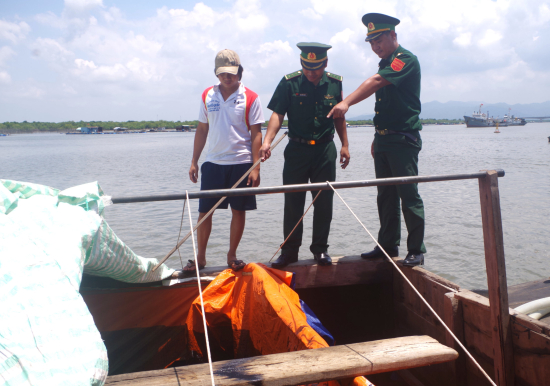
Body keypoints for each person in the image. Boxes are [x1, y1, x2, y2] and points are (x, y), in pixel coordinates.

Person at [327, 13, 426, 266]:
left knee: (408, 194)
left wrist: (346, 102)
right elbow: (384, 105)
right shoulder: (385, 63)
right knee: (385, 195)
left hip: (403, 140)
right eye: (371, 42)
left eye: (379, 40)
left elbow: (377, 82)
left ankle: (415, 249)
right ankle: (388, 245)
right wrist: (377, 136)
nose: (375, 47)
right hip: (384, 140)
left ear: (393, 35)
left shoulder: (405, 60)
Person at [259, 42, 350, 268]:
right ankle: (289, 252)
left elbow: (339, 117)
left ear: (325, 63)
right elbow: (277, 114)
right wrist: (267, 141)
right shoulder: (289, 82)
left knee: (323, 202)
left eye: (316, 67)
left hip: (324, 150)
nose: (311, 72)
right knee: (293, 201)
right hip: (297, 150)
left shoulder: (335, 83)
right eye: (306, 67)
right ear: (301, 63)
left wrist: (345, 145)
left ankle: (320, 250)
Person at [187, 49, 264, 272]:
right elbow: (202, 129)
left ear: (240, 72)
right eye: (222, 74)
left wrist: (256, 166)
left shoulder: (251, 97)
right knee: (205, 212)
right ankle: (200, 258)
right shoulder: (206, 95)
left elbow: (256, 133)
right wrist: (194, 161)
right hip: (213, 163)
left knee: (238, 211)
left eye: (231, 73)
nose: (227, 78)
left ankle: (232, 255)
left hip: (241, 161)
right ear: (216, 73)